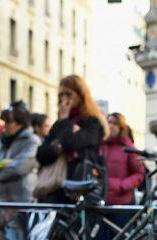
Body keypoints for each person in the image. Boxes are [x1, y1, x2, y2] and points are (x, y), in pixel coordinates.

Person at [36, 74, 107, 206]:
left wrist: (59, 142)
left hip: (81, 186)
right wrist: (63, 127)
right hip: (56, 187)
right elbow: (41, 155)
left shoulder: (92, 122)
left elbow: (71, 143)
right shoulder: (60, 123)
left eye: (68, 94)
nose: (64, 100)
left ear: (80, 96)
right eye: (61, 95)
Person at [0, 103, 39, 205]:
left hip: (22, 201)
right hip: (0, 199)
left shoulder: (32, 141)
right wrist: (1, 163)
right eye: (5, 121)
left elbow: (19, 167)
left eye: (9, 121)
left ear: (20, 123)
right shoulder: (2, 141)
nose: (5, 125)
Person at [102, 112, 144, 206]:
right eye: (109, 122)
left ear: (121, 127)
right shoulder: (101, 146)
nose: (111, 126)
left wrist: (122, 185)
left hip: (122, 201)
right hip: (102, 199)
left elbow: (139, 173)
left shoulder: (129, 148)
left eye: (115, 123)